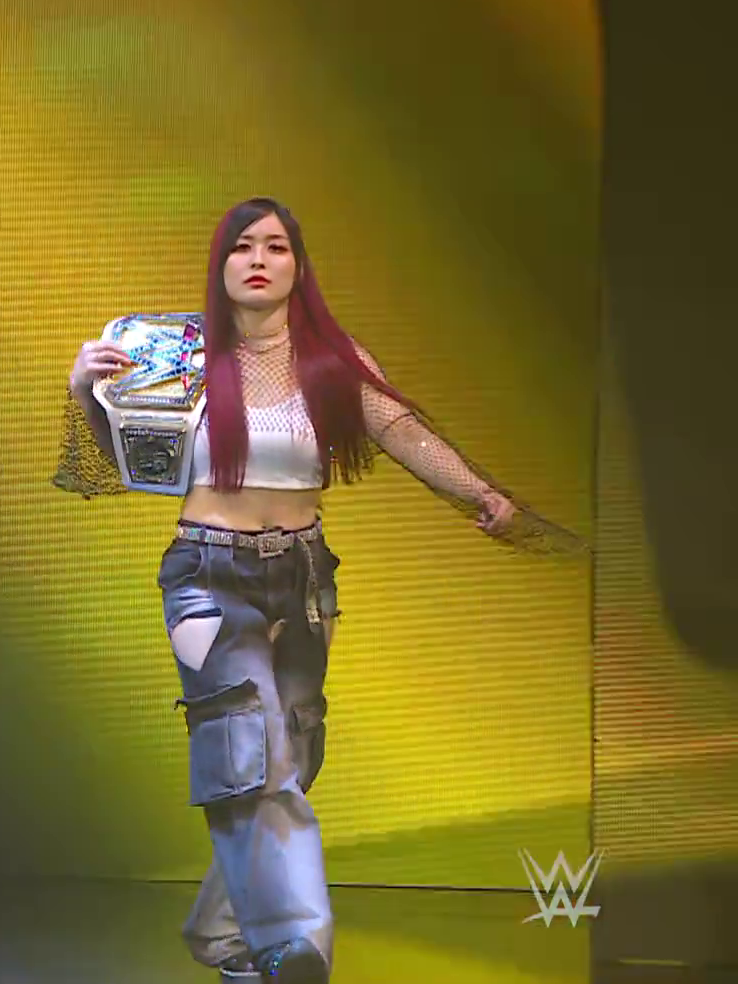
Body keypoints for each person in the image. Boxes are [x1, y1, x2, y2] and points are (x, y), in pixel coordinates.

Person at [54, 197, 583, 982]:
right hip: (208, 577)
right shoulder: (178, 357)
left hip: (302, 577)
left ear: (299, 267)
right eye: (242, 247)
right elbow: (132, 464)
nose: (258, 259)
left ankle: (224, 931)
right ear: (221, 266)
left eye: (275, 246)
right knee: (250, 753)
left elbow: (402, 432)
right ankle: (292, 947)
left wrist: (482, 495)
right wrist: (86, 393)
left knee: (293, 754)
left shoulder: (330, 362)